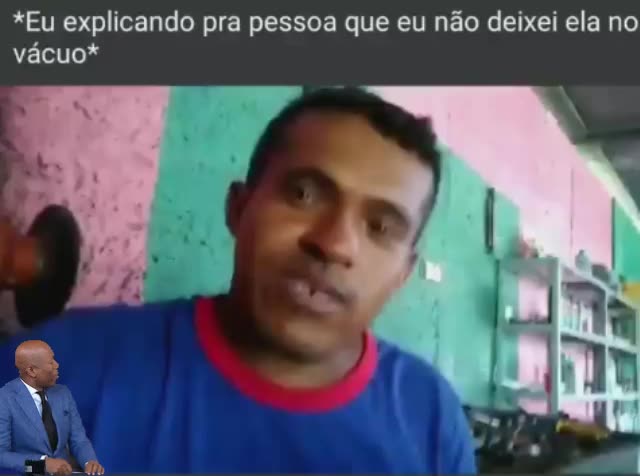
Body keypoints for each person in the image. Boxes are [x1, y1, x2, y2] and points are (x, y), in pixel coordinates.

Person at [0, 87, 477, 474]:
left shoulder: (431, 417)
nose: (334, 244)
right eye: (304, 193)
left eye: (381, 227)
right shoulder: (54, 375)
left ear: (402, 274)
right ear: (238, 208)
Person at [0, 340, 104, 475]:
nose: (56, 365)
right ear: (31, 371)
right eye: (50, 362)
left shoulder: (63, 393)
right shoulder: (5, 399)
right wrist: (41, 466)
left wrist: (89, 461)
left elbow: (79, 440)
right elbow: (2, 456)